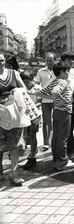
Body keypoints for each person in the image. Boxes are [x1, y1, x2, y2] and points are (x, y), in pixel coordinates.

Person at [38, 62, 74, 171]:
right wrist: (64, 101)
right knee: (63, 137)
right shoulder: (63, 82)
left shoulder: (54, 81)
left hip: (57, 111)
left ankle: (56, 161)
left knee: (56, 137)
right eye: (67, 71)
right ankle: (63, 162)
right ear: (61, 72)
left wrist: (54, 99)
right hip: (64, 112)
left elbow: (40, 93)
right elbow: (56, 92)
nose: (68, 73)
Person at [0, 53, 27, 186]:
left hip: (14, 114)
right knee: (0, 144)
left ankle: (13, 174)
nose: (1, 63)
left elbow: (24, 88)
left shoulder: (13, 73)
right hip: (0, 115)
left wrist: (15, 91)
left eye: (2, 60)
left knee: (15, 144)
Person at [20, 71, 42, 169]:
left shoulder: (37, 89)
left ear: (32, 80)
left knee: (32, 135)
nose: (25, 84)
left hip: (35, 116)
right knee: (27, 135)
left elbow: (41, 102)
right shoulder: (22, 89)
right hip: (25, 116)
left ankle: (33, 156)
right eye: (23, 82)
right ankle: (33, 151)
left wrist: (30, 106)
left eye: (27, 82)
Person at [35, 52, 55, 151]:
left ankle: (54, 141)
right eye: (47, 60)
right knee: (46, 121)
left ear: (54, 60)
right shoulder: (41, 71)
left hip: (56, 100)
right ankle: (46, 143)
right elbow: (36, 84)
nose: (49, 62)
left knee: (56, 120)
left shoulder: (58, 71)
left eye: (51, 60)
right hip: (45, 100)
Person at [60, 52, 74, 159]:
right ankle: (70, 151)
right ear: (63, 61)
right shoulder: (59, 72)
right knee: (69, 129)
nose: (71, 62)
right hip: (66, 104)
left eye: (72, 60)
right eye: (68, 60)